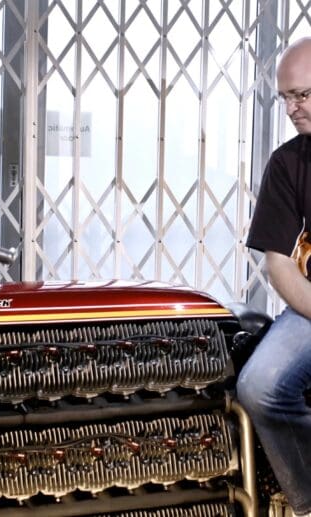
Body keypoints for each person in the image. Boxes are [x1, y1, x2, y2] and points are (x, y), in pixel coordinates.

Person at [236, 37, 311, 517]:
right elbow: (279, 263)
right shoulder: (288, 163)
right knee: (259, 385)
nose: (291, 107)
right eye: (285, 97)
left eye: (302, 95)